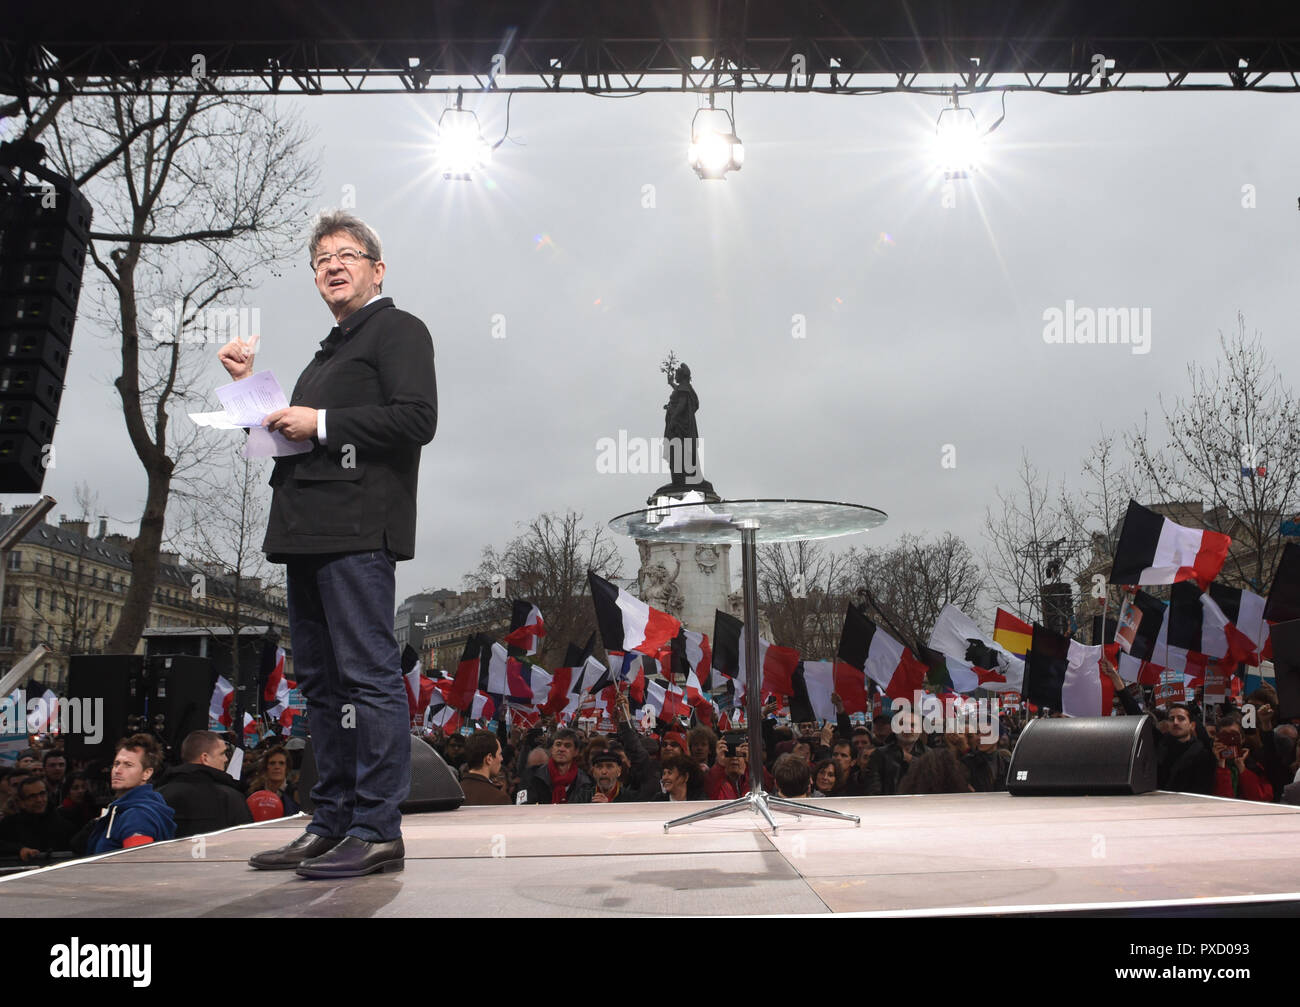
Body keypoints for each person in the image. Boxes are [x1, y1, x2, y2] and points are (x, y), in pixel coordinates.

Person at [227, 212, 437, 879]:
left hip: (355, 530)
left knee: (368, 678)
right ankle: (332, 820)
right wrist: (249, 390)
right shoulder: (328, 353)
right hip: (304, 533)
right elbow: (287, 441)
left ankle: (377, 827)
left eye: (347, 254)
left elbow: (416, 418)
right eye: (320, 259)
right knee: (319, 682)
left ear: (378, 268)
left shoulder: (399, 331)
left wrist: (317, 419)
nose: (332, 264)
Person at [72, 735, 176, 856]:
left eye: (128, 765)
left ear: (146, 773)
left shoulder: (138, 815)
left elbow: (137, 867)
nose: (117, 770)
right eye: (116, 764)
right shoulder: (126, 810)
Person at [156, 731, 254, 837]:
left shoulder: (158, 795)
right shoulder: (230, 797)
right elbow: (245, 841)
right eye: (222, 753)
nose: (226, 759)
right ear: (205, 758)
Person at [0, 773, 75, 863]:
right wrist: (19, 849)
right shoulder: (9, 825)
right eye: (32, 796)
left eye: (42, 794)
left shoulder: (64, 824)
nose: (39, 800)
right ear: (21, 802)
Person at [518, 729, 594, 804]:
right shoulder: (531, 776)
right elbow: (522, 807)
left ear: (576, 752)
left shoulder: (586, 782)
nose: (561, 749)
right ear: (551, 749)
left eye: (567, 746)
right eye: (558, 744)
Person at [246, 746, 299, 816]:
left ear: (287, 767)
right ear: (266, 767)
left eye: (281, 763)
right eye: (272, 763)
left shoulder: (296, 794)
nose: (277, 767)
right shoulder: (254, 792)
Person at [460, 731, 509, 806]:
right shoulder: (499, 798)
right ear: (489, 758)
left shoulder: (452, 793)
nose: (501, 759)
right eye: (499, 754)